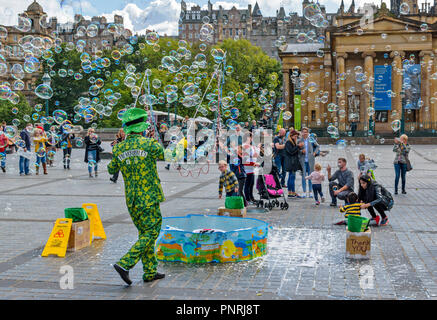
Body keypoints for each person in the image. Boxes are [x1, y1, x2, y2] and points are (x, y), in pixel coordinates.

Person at [108, 108, 165, 285]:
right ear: (142, 128)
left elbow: (111, 169)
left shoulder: (119, 148)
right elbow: (166, 155)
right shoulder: (149, 144)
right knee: (152, 231)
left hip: (131, 199)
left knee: (144, 232)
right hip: (148, 197)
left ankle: (150, 271)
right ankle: (125, 263)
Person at [298, 127, 320, 198]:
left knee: (311, 176)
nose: (305, 133)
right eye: (303, 132)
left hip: (310, 160)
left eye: (306, 132)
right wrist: (301, 151)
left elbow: (317, 146)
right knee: (304, 176)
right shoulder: (299, 140)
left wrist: (314, 153)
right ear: (301, 133)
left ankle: (310, 192)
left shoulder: (311, 139)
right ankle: (304, 192)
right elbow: (296, 150)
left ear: (308, 133)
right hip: (303, 160)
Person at [284, 129, 302, 198]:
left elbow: (295, 151)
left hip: (293, 162)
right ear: (291, 136)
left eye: (297, 136)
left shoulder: (293, 142)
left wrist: (298, 147)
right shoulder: (288, 142)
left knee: (291, 177)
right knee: (291, 177)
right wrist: (297, 146)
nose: (296, 138)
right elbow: (291, 152)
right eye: (295, 136)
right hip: (291, 163)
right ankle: (291, 192)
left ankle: (291, 192)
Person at [243, 134, 259, 204]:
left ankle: (251, 197)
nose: (251, 139)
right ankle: (247, 199)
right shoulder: (244, 146)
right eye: (250, 137)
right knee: (247, 184)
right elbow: (244, 160)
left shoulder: (251, 146)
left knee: (251, 184)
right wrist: (253, 164)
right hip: (247, 169)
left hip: (251, 169)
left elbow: (254, 156)